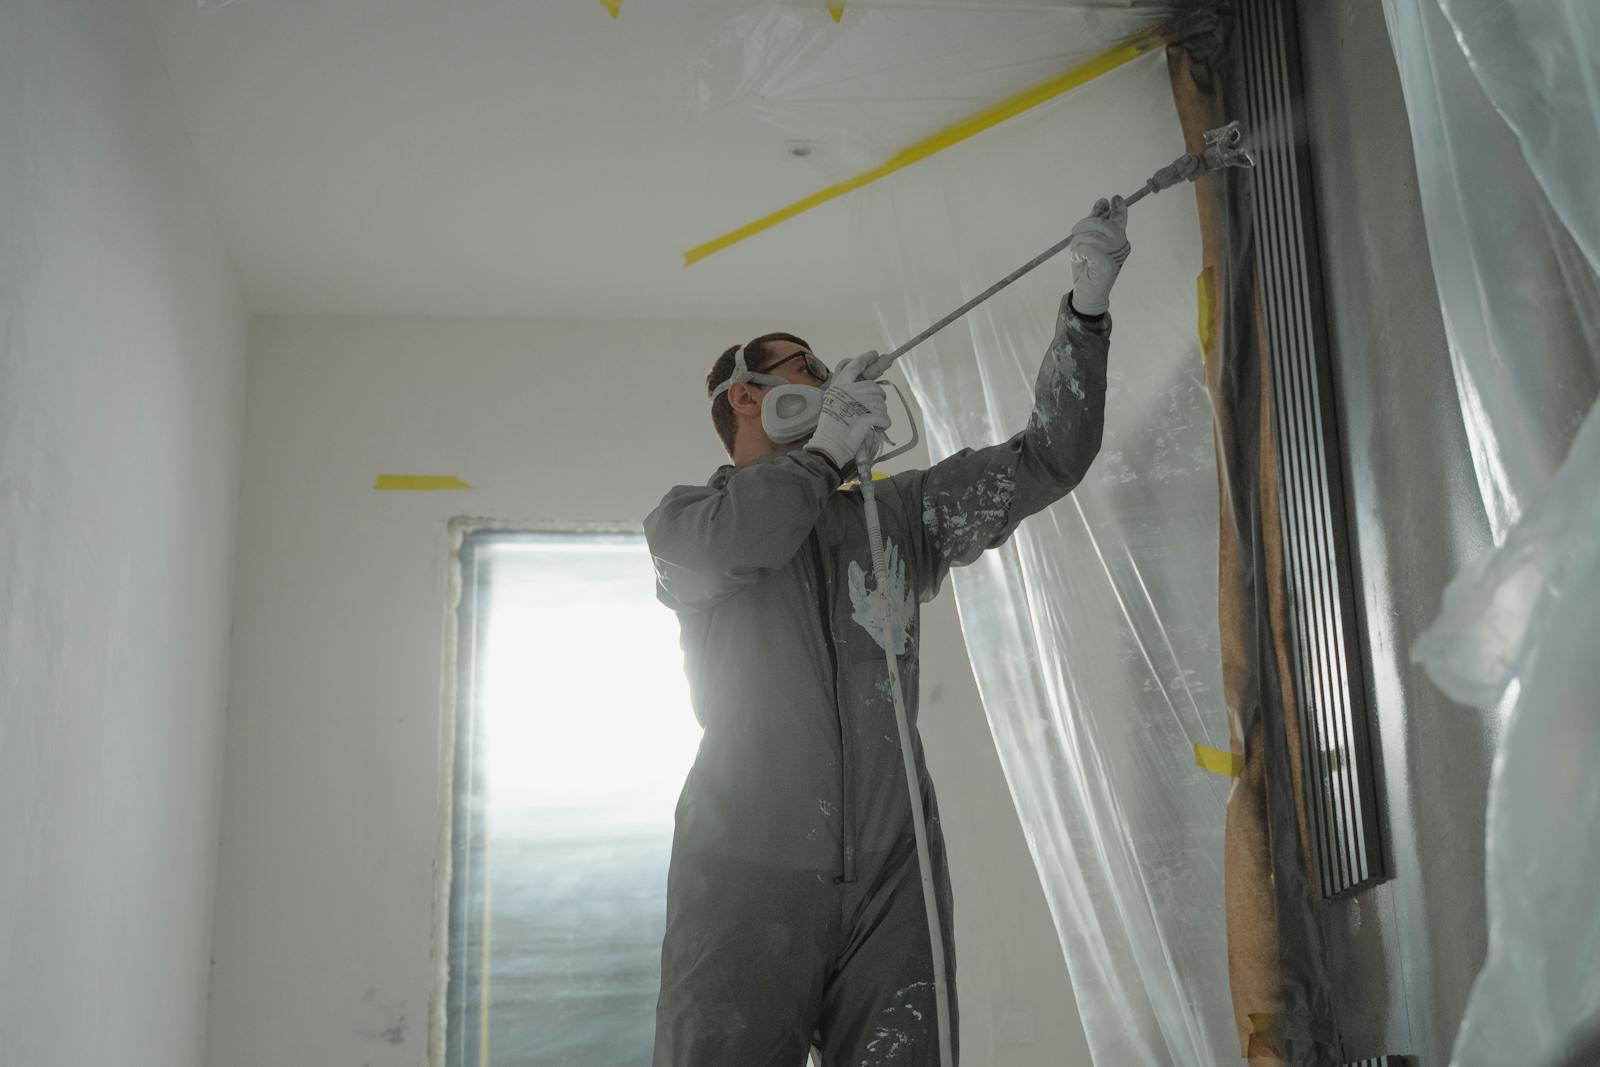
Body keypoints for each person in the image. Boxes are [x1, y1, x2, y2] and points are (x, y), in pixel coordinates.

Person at [646, 197, 1131, 1066]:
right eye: (809, 371)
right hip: (747, 870)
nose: (833, 385)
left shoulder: (895, 516)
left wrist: (1086, 314)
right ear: (748, 395)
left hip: (890, 871)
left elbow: (1048, 459)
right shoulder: (690, 525)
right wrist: (821, 453)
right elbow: (753, 538)